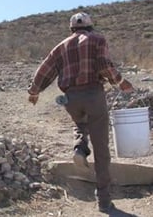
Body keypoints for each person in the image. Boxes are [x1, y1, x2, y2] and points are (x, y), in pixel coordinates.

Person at [27, 12, 134, 214]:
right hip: (93, 94)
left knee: (80, 122)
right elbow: (103, 66)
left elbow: (45, 70)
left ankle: (79, 147)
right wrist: (120, 82)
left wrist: (34, 92)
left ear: (71, 29)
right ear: (90, 26)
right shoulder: (97, 39)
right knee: (101, 150)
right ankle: (103, 201)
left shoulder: (61, 46)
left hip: (71, 98)